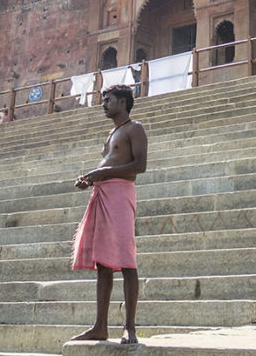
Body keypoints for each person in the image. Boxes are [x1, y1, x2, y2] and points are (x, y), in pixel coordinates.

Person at [70, 85, 149, 345]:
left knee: (126, 261)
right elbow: (110, 163)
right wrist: (91, 179)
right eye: (103, 99)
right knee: (103, 263)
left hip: (120, 194)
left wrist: (101, 174)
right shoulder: (111, 133)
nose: (104, 104)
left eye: (109, 100)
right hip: (103, 194)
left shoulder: (134, 128)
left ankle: (130, 327)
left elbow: (140, 166)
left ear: (123, 102)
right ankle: (100, 326)